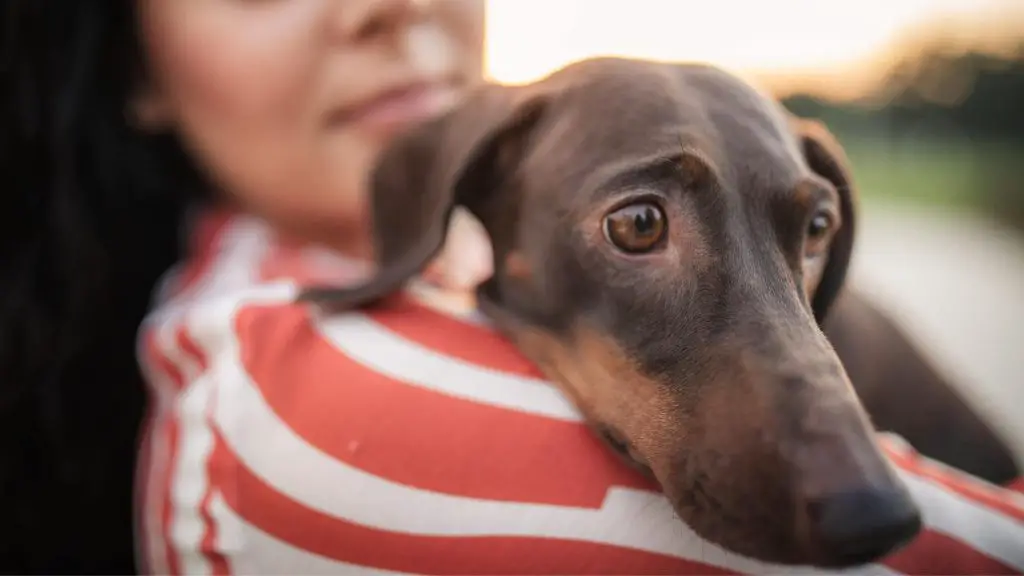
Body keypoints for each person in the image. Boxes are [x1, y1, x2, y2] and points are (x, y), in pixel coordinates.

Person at [2, 0, 1022, 574]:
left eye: (806, 233)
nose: (387, 5)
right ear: (129, 65)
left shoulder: (423, 266)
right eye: (637, 226)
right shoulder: (291, 403)